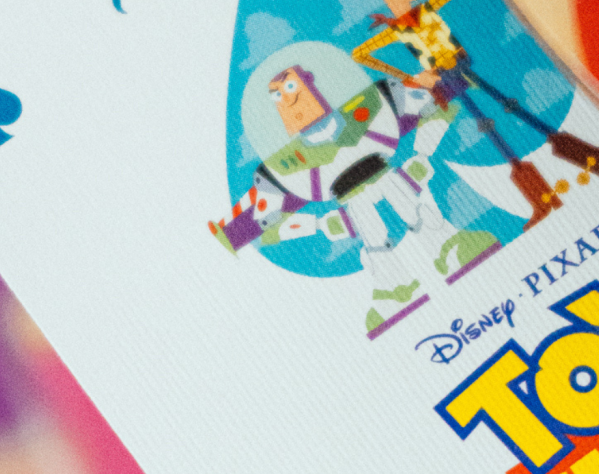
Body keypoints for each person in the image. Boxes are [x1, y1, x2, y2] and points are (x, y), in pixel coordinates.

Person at [302, 0, 599, 229]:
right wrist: (413, 78)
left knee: (515, 112)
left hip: (460, 64)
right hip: (447, 77)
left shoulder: (423, 10)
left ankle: (584, 158)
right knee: (496, 132)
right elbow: (361, 53)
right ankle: (544, 196)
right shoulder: (396, 28)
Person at [210, 63, 499, 338]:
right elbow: (265, 215)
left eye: (291, 87)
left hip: (385, 174)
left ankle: (447, 245)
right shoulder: (283, 166)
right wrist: (311, 224)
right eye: (279, 95)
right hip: (351, 196)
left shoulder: (374, 103)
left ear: (307, 81)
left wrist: (424, 151)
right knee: (375, 240)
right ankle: (393, 288)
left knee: (415, 211)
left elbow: (428, 101)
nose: (291, 100)